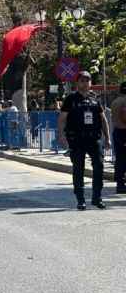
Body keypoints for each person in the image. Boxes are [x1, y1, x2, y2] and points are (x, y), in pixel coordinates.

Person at [58, 71, 111, 209]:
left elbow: (103, 119)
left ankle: (97, 198)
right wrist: (61, 135)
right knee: (78, 169)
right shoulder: (71, 99)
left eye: (87, 80)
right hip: (77, 139)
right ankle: (80, 199)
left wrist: (107, 138)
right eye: (82, 80)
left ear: (90, 83)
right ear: (77, 83)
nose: (85, 83)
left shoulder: (95, 99)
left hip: (94, 139)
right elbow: (62, 118)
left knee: (99, 167)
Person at [112, 82, 126, 194]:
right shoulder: (125, 101)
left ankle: (120, 183)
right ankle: (121, 185)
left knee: (120, 158)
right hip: (124, 131)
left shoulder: (115, 101)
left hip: (117, 131)